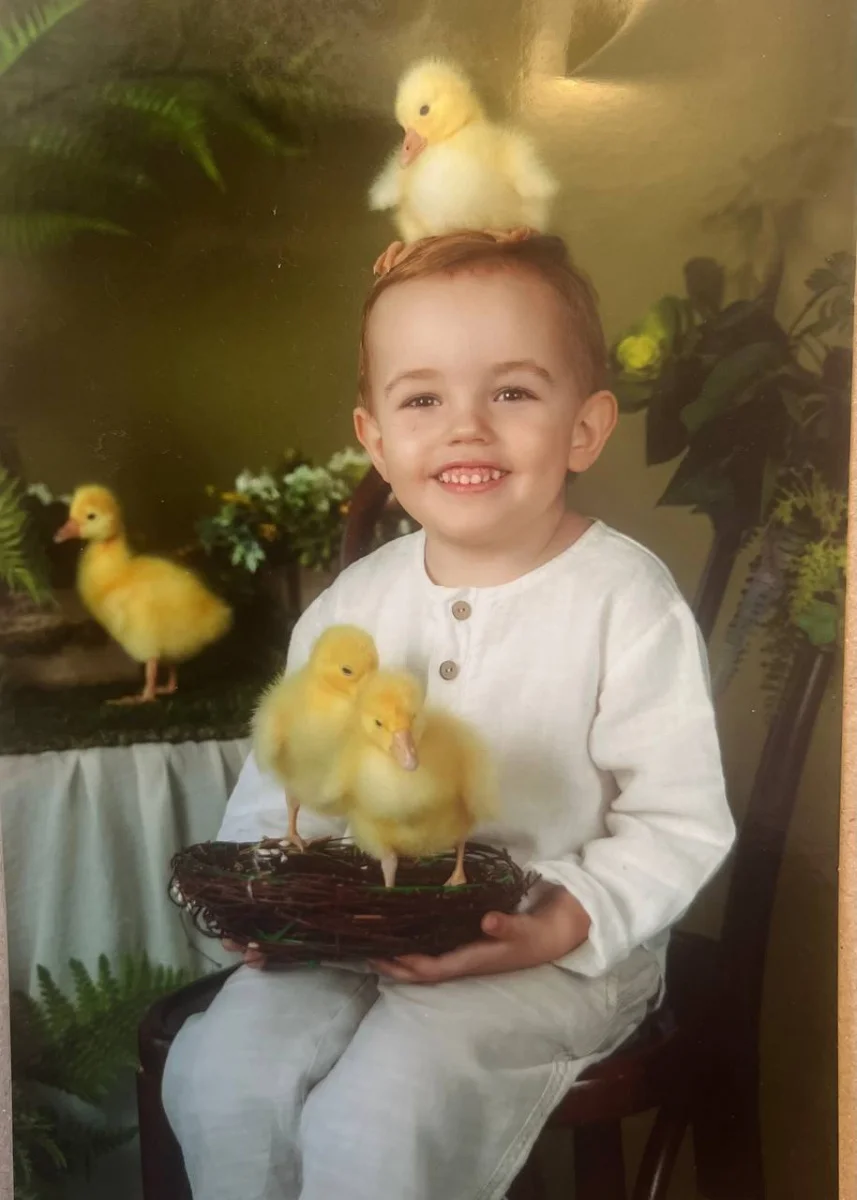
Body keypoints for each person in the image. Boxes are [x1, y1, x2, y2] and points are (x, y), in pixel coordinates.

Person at [163, 228, 735, 1200]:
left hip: (551, 951)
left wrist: (561, 923)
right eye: (422, 399)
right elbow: (281, 790)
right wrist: (270, 910)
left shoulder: (623, 599)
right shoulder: (353, 604)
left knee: (377, 1115)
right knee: (224, 1077)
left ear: (584, 428)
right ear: (375, 438)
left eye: (510, 393)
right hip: (352, 927)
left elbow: (677, 821)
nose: (465, 427)